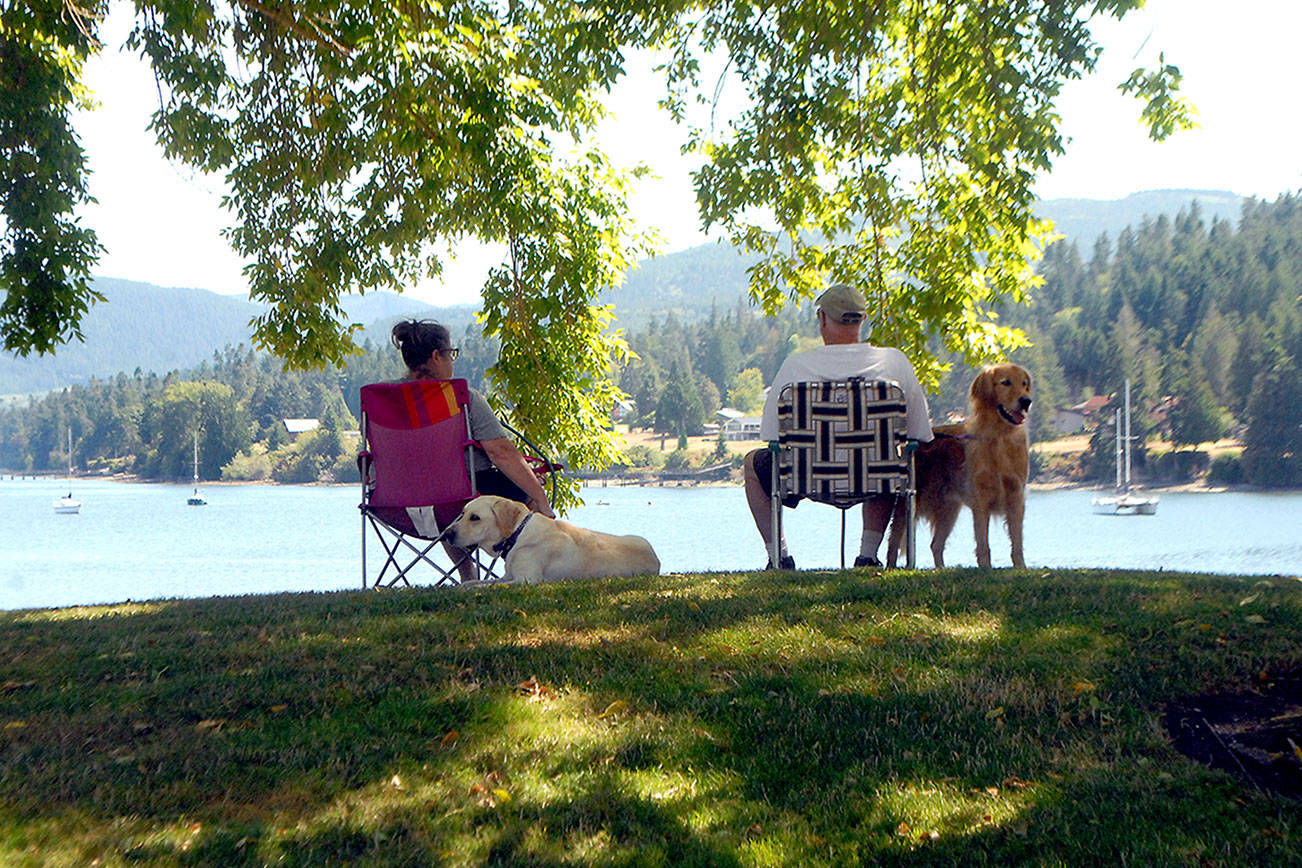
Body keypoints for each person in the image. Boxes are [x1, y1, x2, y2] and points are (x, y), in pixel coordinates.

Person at [743, 284, 933, 569]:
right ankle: (868, 555)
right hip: (875, 477)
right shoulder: (894, 362)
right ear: (862, 320)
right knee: (889, 457)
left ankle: (779, 557)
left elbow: (772, 437)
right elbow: (919, 435)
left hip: (806, 477)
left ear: (822, 319)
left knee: (751, 464)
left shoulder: (796, 367)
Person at [391, 320, 554, 579]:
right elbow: (501, 453)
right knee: (527, 488)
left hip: (395, 503)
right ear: (436, 356)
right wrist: (541, 500)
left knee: (444, 496)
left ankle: (467, 574)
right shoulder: (462, 398)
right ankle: (523, 571)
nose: (452, 362)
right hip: (456, 498)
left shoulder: (384, 400)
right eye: (451, 355)